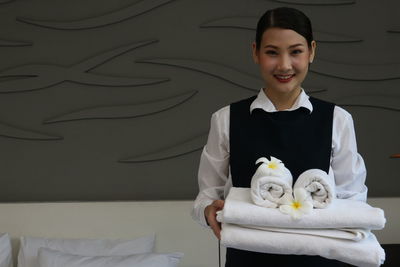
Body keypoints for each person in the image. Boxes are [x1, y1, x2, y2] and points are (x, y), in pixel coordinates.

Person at [191, 6, 368, 267]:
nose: (284, 65)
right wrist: (208, 211)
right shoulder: (226, 119)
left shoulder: (337, 119)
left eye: (296, 51)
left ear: (312, 52)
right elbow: (206, 196)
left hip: (322, 261)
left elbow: (353, 201)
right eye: (272, 52)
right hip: (249, 259)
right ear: (255, 53)